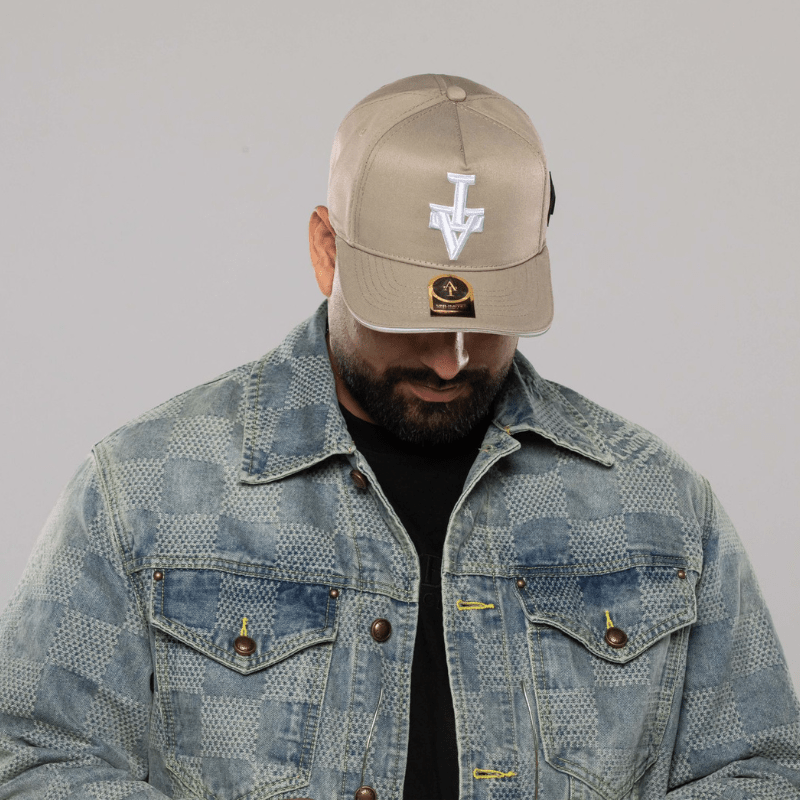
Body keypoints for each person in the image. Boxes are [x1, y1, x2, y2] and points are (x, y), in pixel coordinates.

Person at [0, 73, 798, 800]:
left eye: (487, 318)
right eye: (411, 314)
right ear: (327, 251)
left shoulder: (660, 504)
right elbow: (35, 756)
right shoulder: (143, 488)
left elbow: (760, 769)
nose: (451, 360)